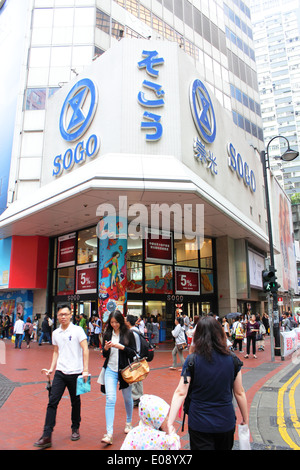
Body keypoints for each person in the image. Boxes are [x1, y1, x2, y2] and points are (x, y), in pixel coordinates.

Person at [167, 316, 248, 450]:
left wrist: (170, 422)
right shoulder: (233, 360)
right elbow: (239, 392)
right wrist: (245, 418)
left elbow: (181, 392)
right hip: (225, 422)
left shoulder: (192, 360)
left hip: (199, 423)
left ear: (198, 336)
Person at [34, 304, 89, 449]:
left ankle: (75, 428)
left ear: (71, 315)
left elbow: (85, 349)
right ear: (57, 316)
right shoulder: (56, 333)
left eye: (65, 314)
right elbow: (56, 351)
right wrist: (51, 369)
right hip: (60, 372)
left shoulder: (78, 330)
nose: (63, 317)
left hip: (76, 372)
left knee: (75, 401)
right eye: (60, 315)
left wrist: (85, 370)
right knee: (52, 402)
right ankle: (47, 435)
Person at [101, 310, 136, 445]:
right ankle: (109, 433)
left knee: (127, 398)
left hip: (124, 371)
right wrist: (105, 348)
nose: (114, 325)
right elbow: (105, 355)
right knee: (110, 399)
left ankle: (128, 422)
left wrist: (121, 347)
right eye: (112, 322)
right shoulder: (108, 333)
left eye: (116, 322)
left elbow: (133, 353)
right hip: (110, 369)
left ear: (121, 321)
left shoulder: (128, 333)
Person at [125, 314, 144, 408]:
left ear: (128, 322)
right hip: (139, 356)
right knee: (138, 378)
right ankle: (140, 396)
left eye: (125, 319)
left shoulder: (131, 332)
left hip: (134, 358)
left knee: (133, 379)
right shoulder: (138, 331)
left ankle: (136, 397)